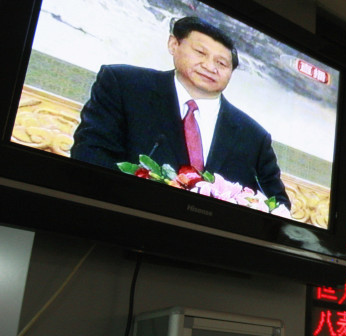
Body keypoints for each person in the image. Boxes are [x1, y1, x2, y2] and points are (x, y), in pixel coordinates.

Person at [71, 16, 290, 209]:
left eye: (221, 63)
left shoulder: (254, 137)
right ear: (173, 44)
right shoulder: (124, 84)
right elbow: (90, 154)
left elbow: (278, 205)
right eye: (200, 52)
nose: (210, 66)